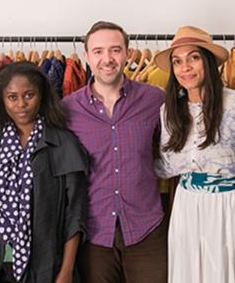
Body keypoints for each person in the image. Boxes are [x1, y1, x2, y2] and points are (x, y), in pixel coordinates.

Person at [152, 25, 235, 283]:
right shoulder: (169, 111)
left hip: (232, 204)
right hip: (188, 205)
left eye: (193, 57)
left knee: (234, 272)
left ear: (209, 61)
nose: (185, 67)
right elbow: (167, 166)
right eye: (177, 61)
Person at [63, 21, 167, 283]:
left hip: (147, 230)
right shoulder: (67, 109)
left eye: (115, 50)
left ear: (128, 54)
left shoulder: (155, 99)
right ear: (86, 56)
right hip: (94, 235)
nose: (107, 59)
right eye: (98, 51)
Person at [0, 61, 88, 283]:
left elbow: (75, 212)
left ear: (41, 96)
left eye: (29, 95)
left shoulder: (62, 142)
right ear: (2, 99)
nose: (21, 104)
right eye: (12, 97)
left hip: (47, 267)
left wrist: (66, 271)